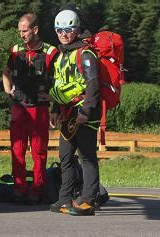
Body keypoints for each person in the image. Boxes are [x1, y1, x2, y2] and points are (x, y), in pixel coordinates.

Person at [48, 9, 101, 216]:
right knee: (66, 157)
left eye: (68, 29)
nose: (63, 33)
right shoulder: (61, 54)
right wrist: (54, 109)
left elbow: (93, 84)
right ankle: (65, 197)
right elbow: (59, 84)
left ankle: (89, 199)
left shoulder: (86, 53)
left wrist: (86, 111)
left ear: (76, 28)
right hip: (66, 112)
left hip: (84, 111)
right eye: (59, 30)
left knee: (87, 156)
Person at [2, 13, 58, 204]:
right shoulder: (16, 50)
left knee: (39, 152)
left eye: (25, 31)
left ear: (35, 30)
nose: (22, 35)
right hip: (18, 106)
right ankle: (19, 188)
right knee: (17, 150)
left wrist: (53, 99)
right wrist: (8, 90)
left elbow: (59, 80)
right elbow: (6, 71)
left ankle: (37, 189)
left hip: (39, 108)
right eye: (20, 31)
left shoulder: (51, 52)